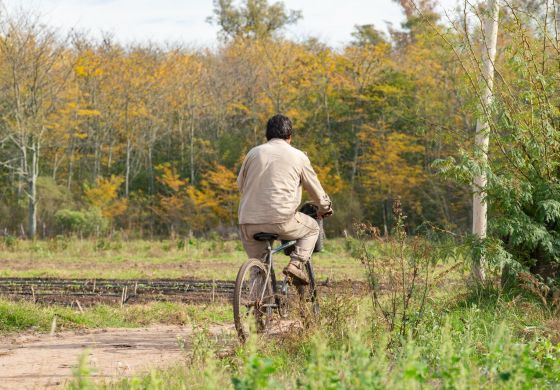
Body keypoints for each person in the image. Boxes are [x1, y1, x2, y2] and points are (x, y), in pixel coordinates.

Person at [237, 114, 333, 284]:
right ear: (290, 136)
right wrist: (325, 208)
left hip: (248, 222)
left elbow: (240, 185)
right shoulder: (298, 156)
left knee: (259, 267)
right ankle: (295, 265)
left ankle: (259, 305)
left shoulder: (253, 153)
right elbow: (316, 191)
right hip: (281, 219)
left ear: (267, 136)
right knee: (312, 229)